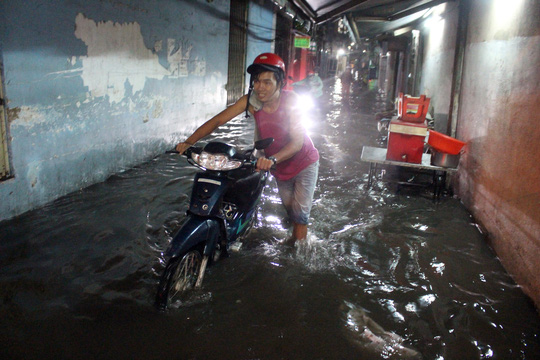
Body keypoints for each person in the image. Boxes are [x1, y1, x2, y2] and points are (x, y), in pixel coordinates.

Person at [175, 53, 319, 243]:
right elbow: (218, 120)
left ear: (280, 83)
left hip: (304, 162)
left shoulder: (291, 101)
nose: (260, 88)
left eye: (267, 82)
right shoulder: (251, 101)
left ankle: (298, 256)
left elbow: (297, 143)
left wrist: (272, 159)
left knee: (300, 216)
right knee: (290, 208)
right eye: (257, 81)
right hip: (278, 166)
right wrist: (189, 142)